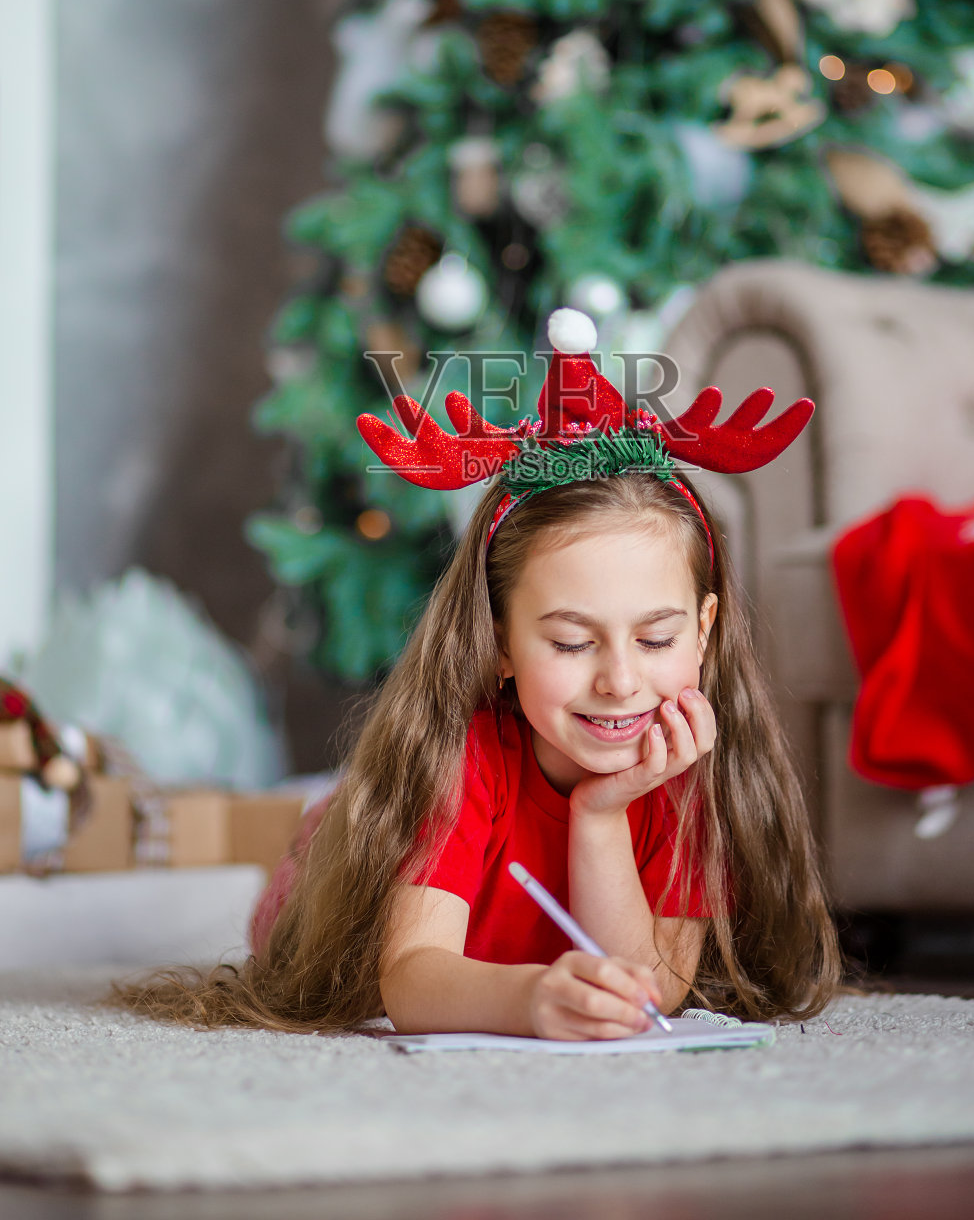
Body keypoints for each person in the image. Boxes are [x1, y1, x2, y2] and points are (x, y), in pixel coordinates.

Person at [116, 309, 841, 1037]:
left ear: (705, 632)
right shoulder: (461, 761)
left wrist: (599, 811)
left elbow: (652, 988)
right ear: (497, 643)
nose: (620, 681)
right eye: (569, 643)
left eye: (655, 638)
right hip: (330, 883)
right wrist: (529, 1000)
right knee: (321, 849)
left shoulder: (688, 768)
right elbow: (410, 979)